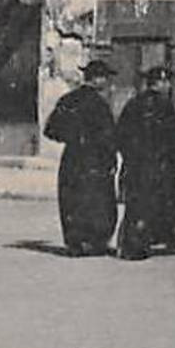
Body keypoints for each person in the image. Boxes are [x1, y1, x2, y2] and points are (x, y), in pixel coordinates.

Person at [42, 59, 119, 256]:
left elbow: (51, 130)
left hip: (73, 157)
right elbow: (109, 136)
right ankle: (94, 242)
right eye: (105, 78)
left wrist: (73, 138)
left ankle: (75, 242)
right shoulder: (99, 104)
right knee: (98, 199)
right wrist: (111, 160)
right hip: (95, 159)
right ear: (98, 79)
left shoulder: (68, 100)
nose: (107, 82)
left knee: (73, 198)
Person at [116, 64, 175, 260]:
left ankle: (135, 242)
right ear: (157, 83)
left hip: (138, 164)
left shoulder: (133, 103)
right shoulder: (164, 106)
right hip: (160, 165)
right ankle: (144, 242)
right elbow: (174, 137)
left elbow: (121, 135)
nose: (167, 86)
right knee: (162, 201)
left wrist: (129, 158)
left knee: (140, 203)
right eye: (165, 82)